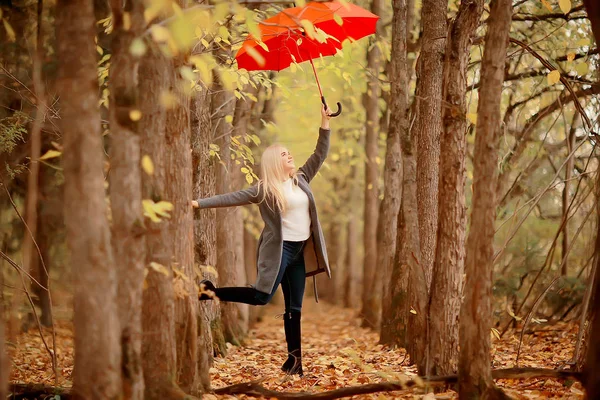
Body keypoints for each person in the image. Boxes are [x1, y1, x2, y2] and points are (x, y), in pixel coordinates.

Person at [192, 105, 333, 376]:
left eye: (290, 153)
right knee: (261, 297)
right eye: (284, 154)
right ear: (274, 162)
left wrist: (325, 123)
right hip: (279, 252)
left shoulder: (302, 179)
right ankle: (210, 292)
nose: (290, 156)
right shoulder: (264, 189)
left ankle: (295, 363)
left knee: (294, 308)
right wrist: (199, 203)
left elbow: (320, 154)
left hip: (300, 252)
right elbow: (232, 197)